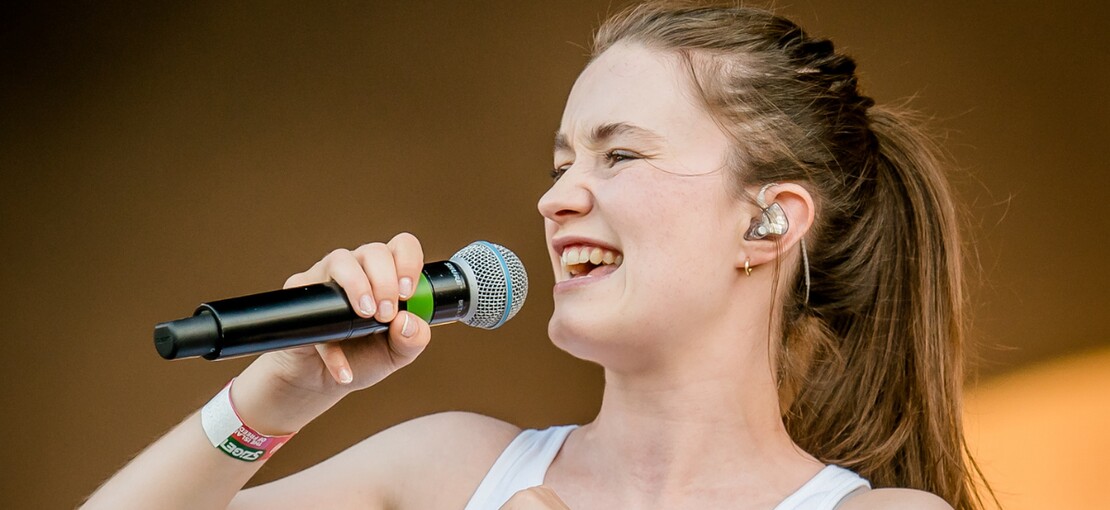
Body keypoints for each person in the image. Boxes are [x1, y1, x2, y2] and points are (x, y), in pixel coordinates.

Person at [83, 2, 995, 509]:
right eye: (561, 163)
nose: (555, 199)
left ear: (767, 222)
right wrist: (269, 398)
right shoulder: (447, 471)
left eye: (620, 153)